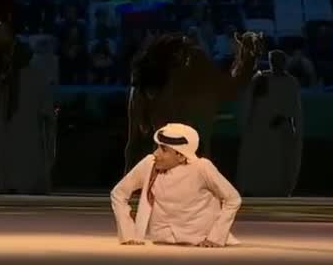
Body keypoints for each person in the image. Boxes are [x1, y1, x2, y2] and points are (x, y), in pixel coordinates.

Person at [111, 123, 241, 247]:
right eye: (157, 147)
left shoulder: (202, 168)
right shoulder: (149, 164)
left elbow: (233, 199)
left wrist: (216, 237)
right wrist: (128, 234)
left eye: (164, 149)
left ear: (181, 155)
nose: (156, 153)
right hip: (159, 243)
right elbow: (119, 193)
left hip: (199, 242)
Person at [236, 50, 303, 197]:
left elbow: (294, 108)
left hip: (281, 130)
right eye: (274, 61)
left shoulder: (290, 82)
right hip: (260, 128)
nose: (277, 64)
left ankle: (278, 189)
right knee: (258, 159)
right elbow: (250, 103)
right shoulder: (260, 79)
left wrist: (288, 123)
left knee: (278, 163)